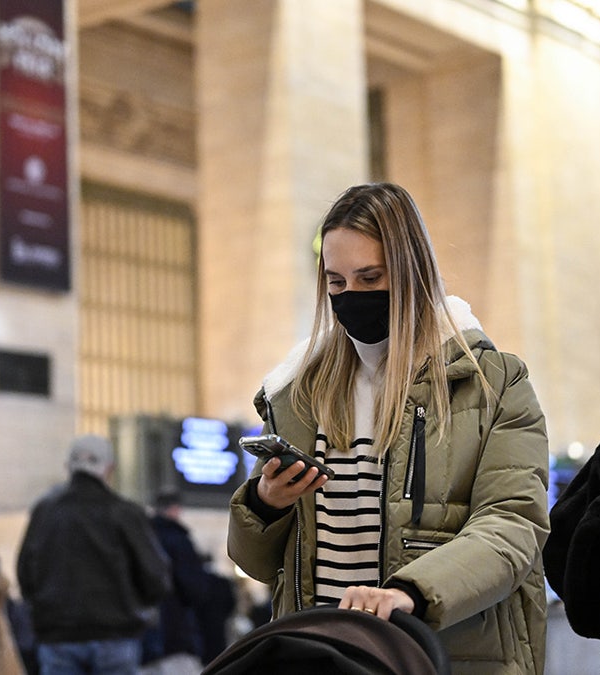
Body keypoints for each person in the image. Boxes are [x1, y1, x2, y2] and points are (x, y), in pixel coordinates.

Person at [226, 182, 550, 674]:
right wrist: (265, 503)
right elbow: (257, 563)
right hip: (320, 657)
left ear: (410, 272)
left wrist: (409, 593)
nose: (351, 297)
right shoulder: (300, 394)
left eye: (370, 277)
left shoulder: (490, 383)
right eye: (336, 283)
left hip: (441, 653)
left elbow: (513, 524)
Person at [17, 435, 170, 675]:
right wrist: (141, 606)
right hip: (115, 634)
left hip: (57, 636)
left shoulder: (44, 511)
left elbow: (25, 572)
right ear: (109, 468)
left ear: (68, 467)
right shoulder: (124, 511)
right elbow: (155, 575)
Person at [141, 489, 208, 675]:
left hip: (144, 636)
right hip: (176, 632)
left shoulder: (141, 538)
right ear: (175, 509)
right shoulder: (178, 540)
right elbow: (195, 588)